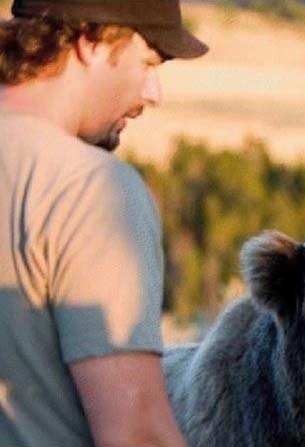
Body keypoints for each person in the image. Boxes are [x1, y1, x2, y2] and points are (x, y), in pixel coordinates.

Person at [0, 1, 208, 446]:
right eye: (148, 62)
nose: (154, 93)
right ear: (91, 40)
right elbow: (135, 432)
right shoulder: (89, 187)